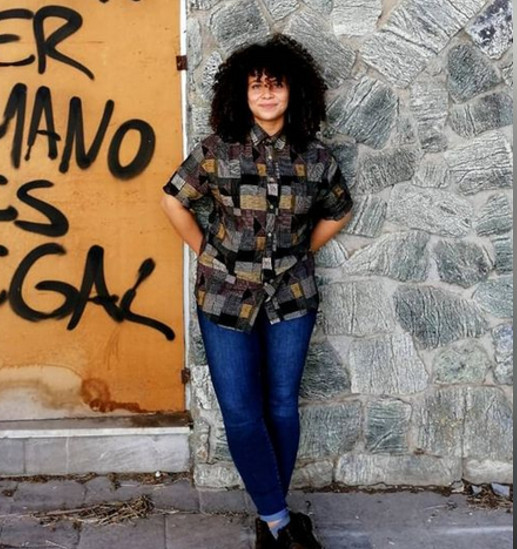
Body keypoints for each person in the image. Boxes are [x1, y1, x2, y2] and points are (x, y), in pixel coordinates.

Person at [160, 35, 354, 549]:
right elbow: (173, 200)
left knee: (283, 407)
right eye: (256, 86)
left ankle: (273, 519)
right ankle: (279, 522)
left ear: (294, 92)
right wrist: (205, 251)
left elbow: (340, 209)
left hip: (292, 297)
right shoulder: (216, 151)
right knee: (242, 411)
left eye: (276, 85)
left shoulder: (315, 157)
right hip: (224, 297)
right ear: (241, 94)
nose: (266, 94)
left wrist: (303, 252)